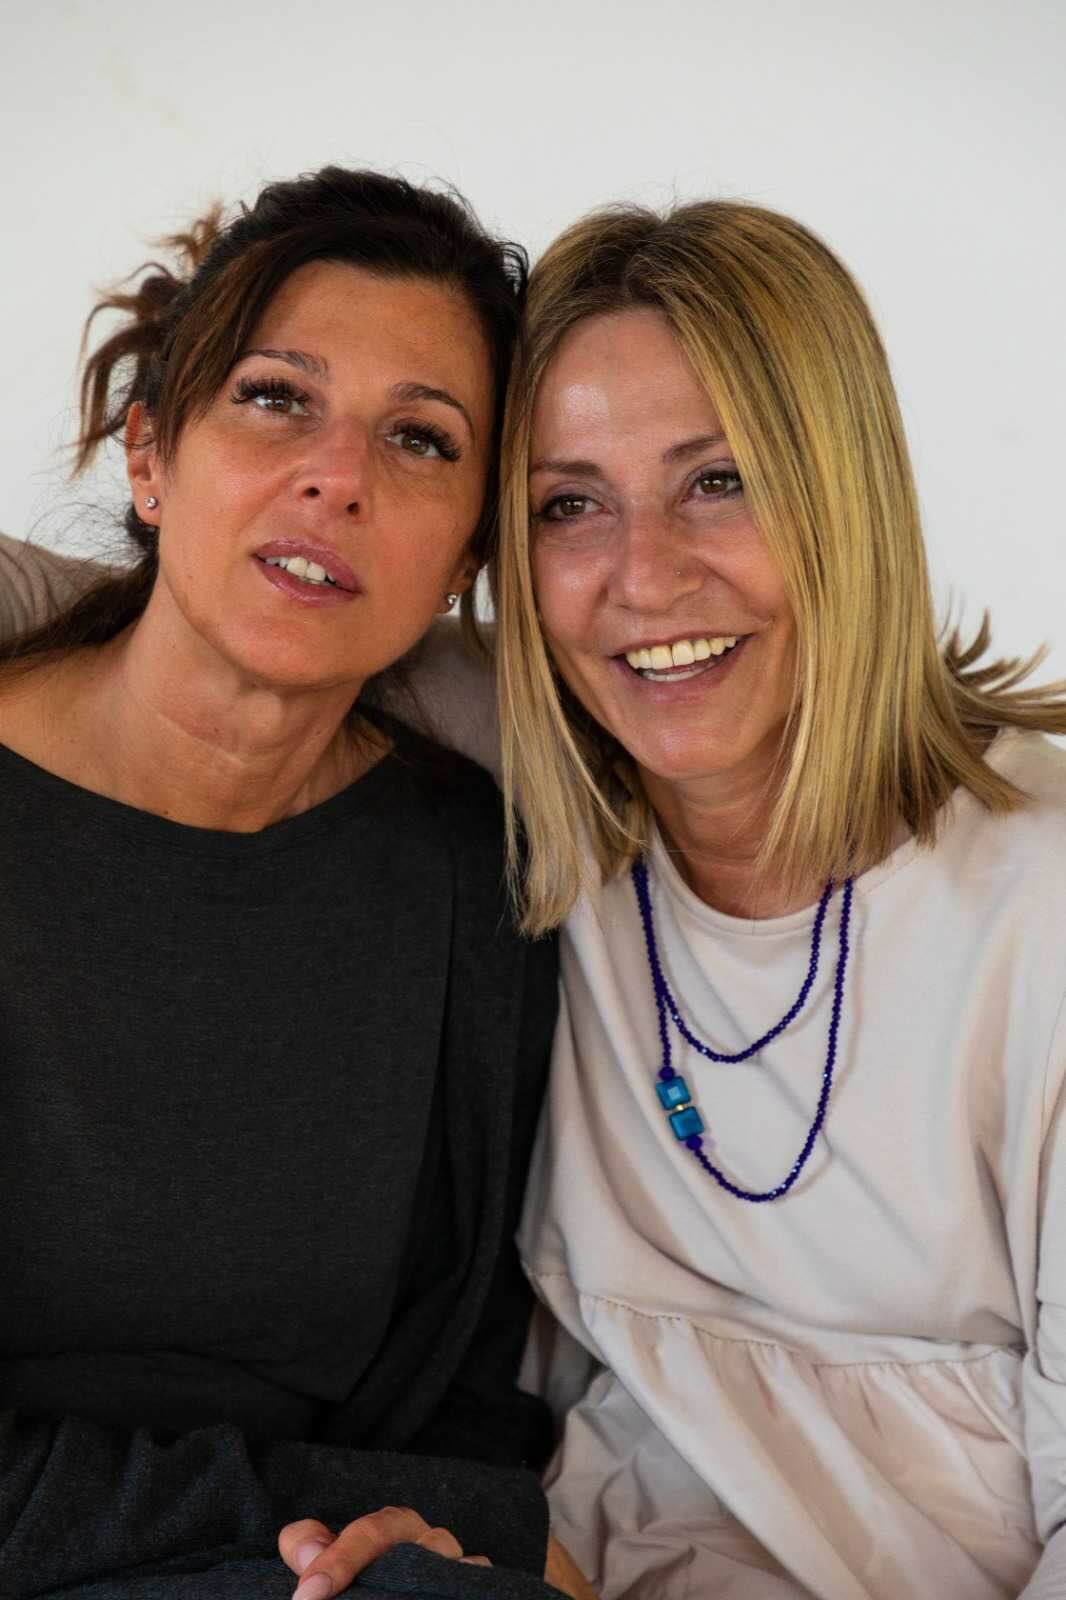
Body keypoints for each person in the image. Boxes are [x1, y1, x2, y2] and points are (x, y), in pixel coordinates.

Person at [0, 166, 575, 1600]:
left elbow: (462, 1380)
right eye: (275, 398)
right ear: (149, 455)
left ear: (467, 556)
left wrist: (423, 1535)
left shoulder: (472, 876)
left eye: (421, 439)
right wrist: (317, 1522)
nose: (340, 477)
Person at [488, 200, 1066, 1599]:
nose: (644, 577)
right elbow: (189, 638)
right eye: (570, 505)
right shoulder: (525, 799)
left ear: (845, 491)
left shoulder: (1034, 901)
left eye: (718, 480)